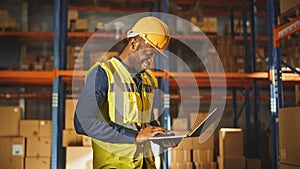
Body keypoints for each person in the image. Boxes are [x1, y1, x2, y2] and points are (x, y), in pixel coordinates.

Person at [74, 16, 179, 169]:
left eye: (155, 56)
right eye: (149, 53)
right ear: (134, 43)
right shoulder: (104, 74)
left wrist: (159, 135)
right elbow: (82, 123)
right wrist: (135, 136)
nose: (151, 62)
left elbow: (143, 122)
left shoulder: (149, 79)